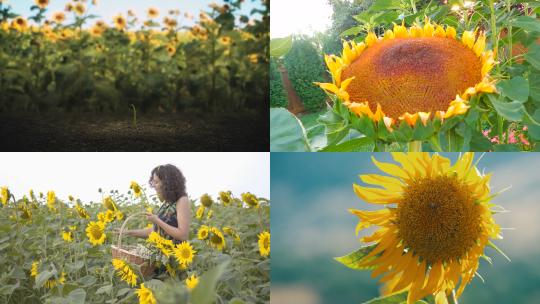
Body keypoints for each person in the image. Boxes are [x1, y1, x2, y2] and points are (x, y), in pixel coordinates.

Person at [124, 164, 191, 243]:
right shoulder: (166, 203)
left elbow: (183, 235)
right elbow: (154, 231)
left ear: (167, 183)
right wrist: (128, 232)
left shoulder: (182, 200)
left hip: (174, 253)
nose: (154, 186)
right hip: (160, 252)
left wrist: (157, 221)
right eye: (153, 182)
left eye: (156, 182)